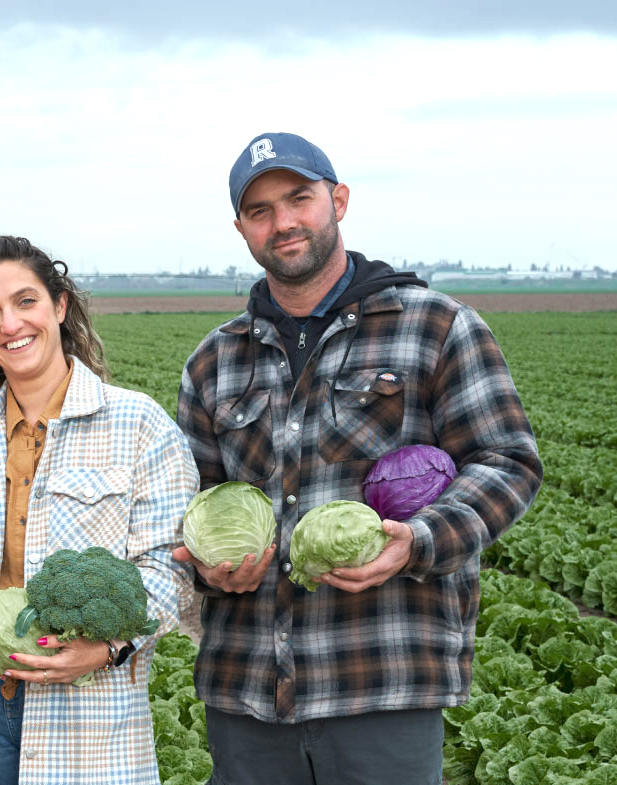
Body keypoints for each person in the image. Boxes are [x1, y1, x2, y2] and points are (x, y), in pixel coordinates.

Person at [173, 133, 543, 784]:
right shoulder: (213, 361)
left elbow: (507, 461)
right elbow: (190, 502)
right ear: (241, 229)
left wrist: (419, 540)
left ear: (337, 200)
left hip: (381, 681)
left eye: (299, 198)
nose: (283, 221)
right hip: (248, 690)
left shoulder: (436, 327)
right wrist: (206, 567)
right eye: (260, 210)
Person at [0, 237, 196, 785]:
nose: (10, 324)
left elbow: (170, 566)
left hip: (90, 718)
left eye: (25, 301)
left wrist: (104, 647)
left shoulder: (139, 426)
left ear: (59, 306)